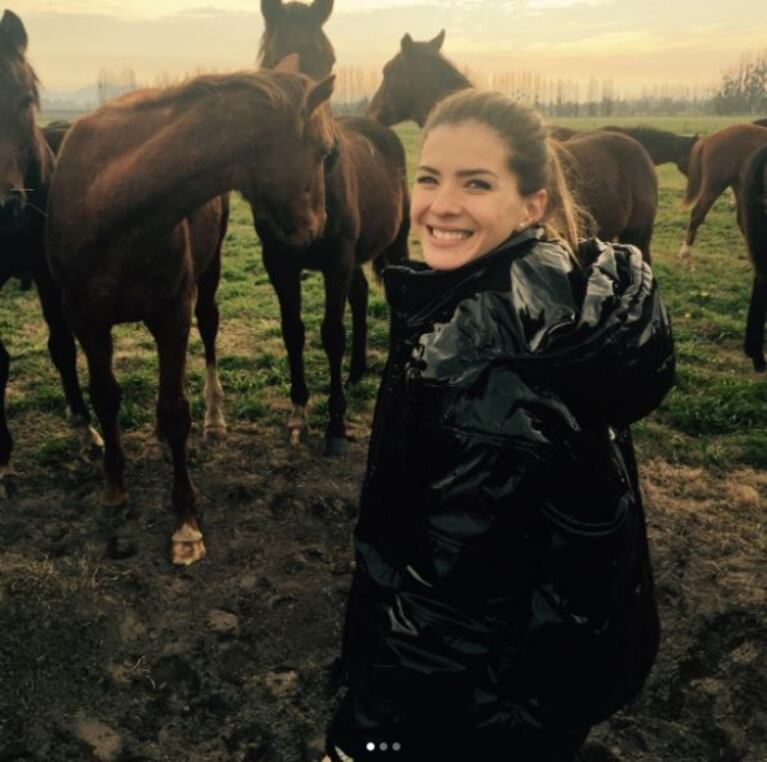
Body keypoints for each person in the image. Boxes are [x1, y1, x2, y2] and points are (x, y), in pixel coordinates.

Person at [323, 89, 675, 761]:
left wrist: (361, 738)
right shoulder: (551, 284)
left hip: (492, 699)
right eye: (428, 178)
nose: (439, 205)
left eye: (476, 183)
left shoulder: (482, 356)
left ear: (531, 202)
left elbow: (445, 602)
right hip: (561, 657)